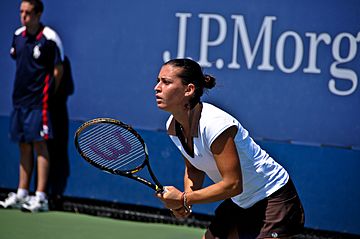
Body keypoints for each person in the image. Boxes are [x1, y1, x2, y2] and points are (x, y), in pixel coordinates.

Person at [155, 58, 305, 239]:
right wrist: (186, 201)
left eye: (166, 82)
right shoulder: (173, 126)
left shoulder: (214, 125)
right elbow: (194, 167)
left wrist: (183, 199)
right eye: (158, 81)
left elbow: (233, 184)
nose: (157, 87)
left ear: (189, 90)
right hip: (241, 201)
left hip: (272, 198)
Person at [0, 0, 64, 212]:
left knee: (39, 144)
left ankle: (41, 197)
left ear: (38, 14)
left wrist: (47, 96)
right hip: (19, 100)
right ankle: (22, 192)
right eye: (21, 12)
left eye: (28, 12)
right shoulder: (18, 36)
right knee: (24, 144)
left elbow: (58, 70)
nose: (23, 16)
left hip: (40, 102)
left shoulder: (49, 39)